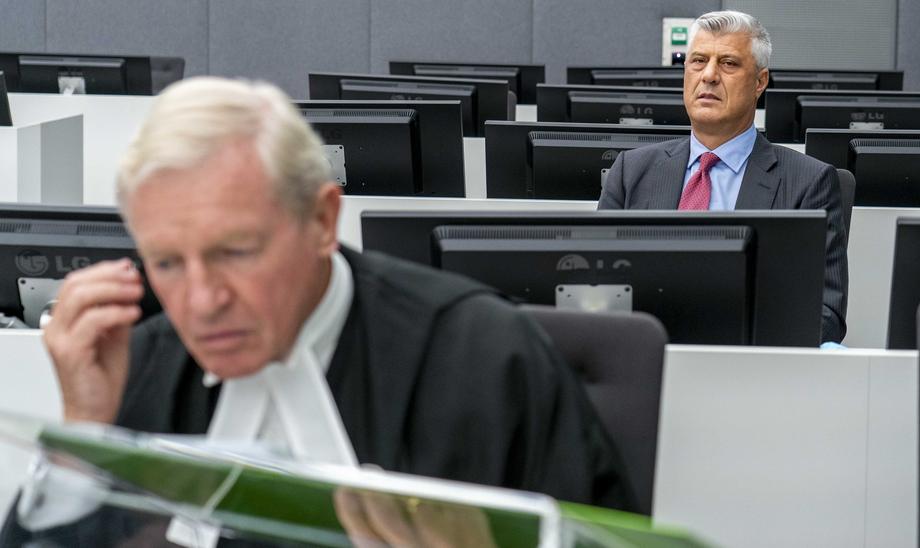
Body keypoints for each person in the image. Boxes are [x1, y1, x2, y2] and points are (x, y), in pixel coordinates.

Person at [3, 75, 630, 545]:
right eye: (167, 262)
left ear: (323, 221)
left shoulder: (487, 357)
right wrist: (81, 435)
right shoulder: (142, 361)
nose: (201, 302)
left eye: (237, 251)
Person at [598, 10, 848, 344]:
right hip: (645, 358)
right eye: (698, 61)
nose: (709, 75)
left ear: (760, 82)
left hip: (748, 368)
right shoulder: (632, 170)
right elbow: (597, 287)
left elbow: (825, 313)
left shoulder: (810, 182)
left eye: (728, 63)